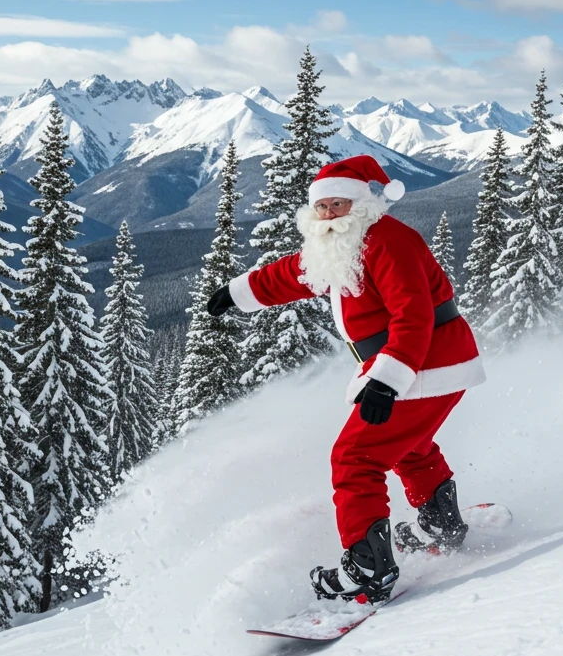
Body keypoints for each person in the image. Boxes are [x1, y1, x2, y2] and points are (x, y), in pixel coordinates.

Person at [207, 154, 485, 605]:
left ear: (362, 205)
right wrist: (241, 293)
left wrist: (388, 379)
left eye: (339, 205)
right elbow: (298, 273)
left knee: (355, 456)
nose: (330, 214)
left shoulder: (387, 240)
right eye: (323, 207)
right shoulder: (345, 243)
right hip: (421, 363)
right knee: (406, 444)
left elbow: (412, 314)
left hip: (425, 361)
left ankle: (368, 569)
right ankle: (439, 520)